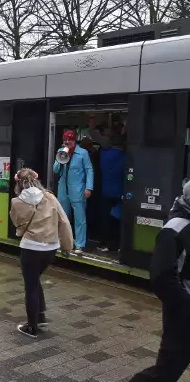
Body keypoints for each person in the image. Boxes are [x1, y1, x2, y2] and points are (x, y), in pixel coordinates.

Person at [129, 180, 190, 381]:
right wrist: (183, 304)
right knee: (167, 370)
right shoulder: (175, 229)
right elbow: (161, 276)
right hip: (183, 311)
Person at [10, 168, 74, 339]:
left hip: (31, 248)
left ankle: (31, 328)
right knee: (35, 279)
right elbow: (64, 221)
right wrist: (67, 246)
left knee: (30, 285)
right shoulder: (50, 197)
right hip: (50, 249)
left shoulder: (16, 202)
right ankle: (41, 318)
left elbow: (17, 223)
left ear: (19, 183)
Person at [53, 130, 94, 253]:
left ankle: (80, 244)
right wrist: (61, 157)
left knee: (79, 218)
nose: (67, 142)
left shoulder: (83, 153)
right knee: (63, 217)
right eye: (65, 140)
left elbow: (89, 170)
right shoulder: (61, 152)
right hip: (63, 189)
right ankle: (61, 241)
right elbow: (55, 170)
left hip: (78, 189)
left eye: (70, 140)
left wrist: (89, 188)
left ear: (74, 140)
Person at [98, 134, 125, 252]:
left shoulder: (104, 155)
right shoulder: (125, 156)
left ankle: (105, 244)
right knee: (119, 219)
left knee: (105, 219)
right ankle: (120, 244)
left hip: (106, 192)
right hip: (120, 193)